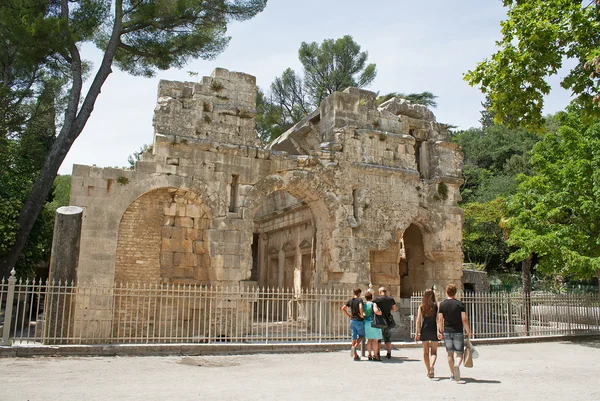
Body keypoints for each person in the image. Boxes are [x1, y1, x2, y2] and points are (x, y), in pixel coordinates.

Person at [437, 283, 472, 381]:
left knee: (449, 353)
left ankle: (452, 374)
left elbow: (440, 320)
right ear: (455, 293)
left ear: (446, 292)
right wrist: (468, 331)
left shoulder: (442, 304)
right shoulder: (460, 304)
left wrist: (440, 331)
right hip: (458, 331)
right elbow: (464, 319)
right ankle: (457, 365)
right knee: (459, 353)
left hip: (447, 331)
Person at [415, 289, 439, 378]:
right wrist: (440, 331)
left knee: (425, 352)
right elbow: (438, 319)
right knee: (434, 352)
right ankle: (432, 365)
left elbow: (418, 320)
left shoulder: (421, 306)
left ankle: (429, 370)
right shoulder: (436, 305)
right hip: (433, 329)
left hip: (424, 329)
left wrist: (417, 333)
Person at [373, 286, 397, 359]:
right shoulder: (391, 299)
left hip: (379, 321)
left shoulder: (376, 300)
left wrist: (380, 313)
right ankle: (389, 353)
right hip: (388, 321)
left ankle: (378, 353)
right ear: (385, 292)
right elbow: (394, 309)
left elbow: (375, 310)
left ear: (380, 292)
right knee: (387, 338)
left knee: (379, 338)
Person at [341, 288, 364, 361]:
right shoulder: (360, 300)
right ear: (359, 293)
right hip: (359, 321)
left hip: (352, 321)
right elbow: (360, 308)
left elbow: (343, 308)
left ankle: (355, 355)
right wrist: (361, 315)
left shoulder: (350, 300)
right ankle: (355, 347)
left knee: (354, 337)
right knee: (362, 335)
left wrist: (348, 315)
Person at [363, 291, 383, 361]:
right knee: (375, 340)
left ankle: (369, 355)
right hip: (374, 323)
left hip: (367, 323)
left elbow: (363, 314)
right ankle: (375, 355)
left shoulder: (364, 305)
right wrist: (380, 313)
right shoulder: (373, 304)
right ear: (372, 297)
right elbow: (376, 311)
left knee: (369, 340)